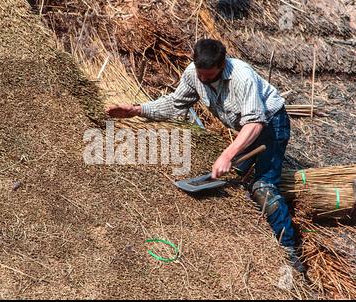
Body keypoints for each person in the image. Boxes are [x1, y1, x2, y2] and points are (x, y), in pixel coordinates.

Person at [105, 38, 305, 272]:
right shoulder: (194, 73)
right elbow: (176, 103)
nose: (203, 80)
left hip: (270, 124)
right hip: (247, 128)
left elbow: (255, 123)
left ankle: (291, 251)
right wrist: (136, 110)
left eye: (209, 76)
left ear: (222, 65)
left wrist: (227, 154)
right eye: (201, 74)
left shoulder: (242, 77)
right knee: (236, 179)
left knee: (263, 187)